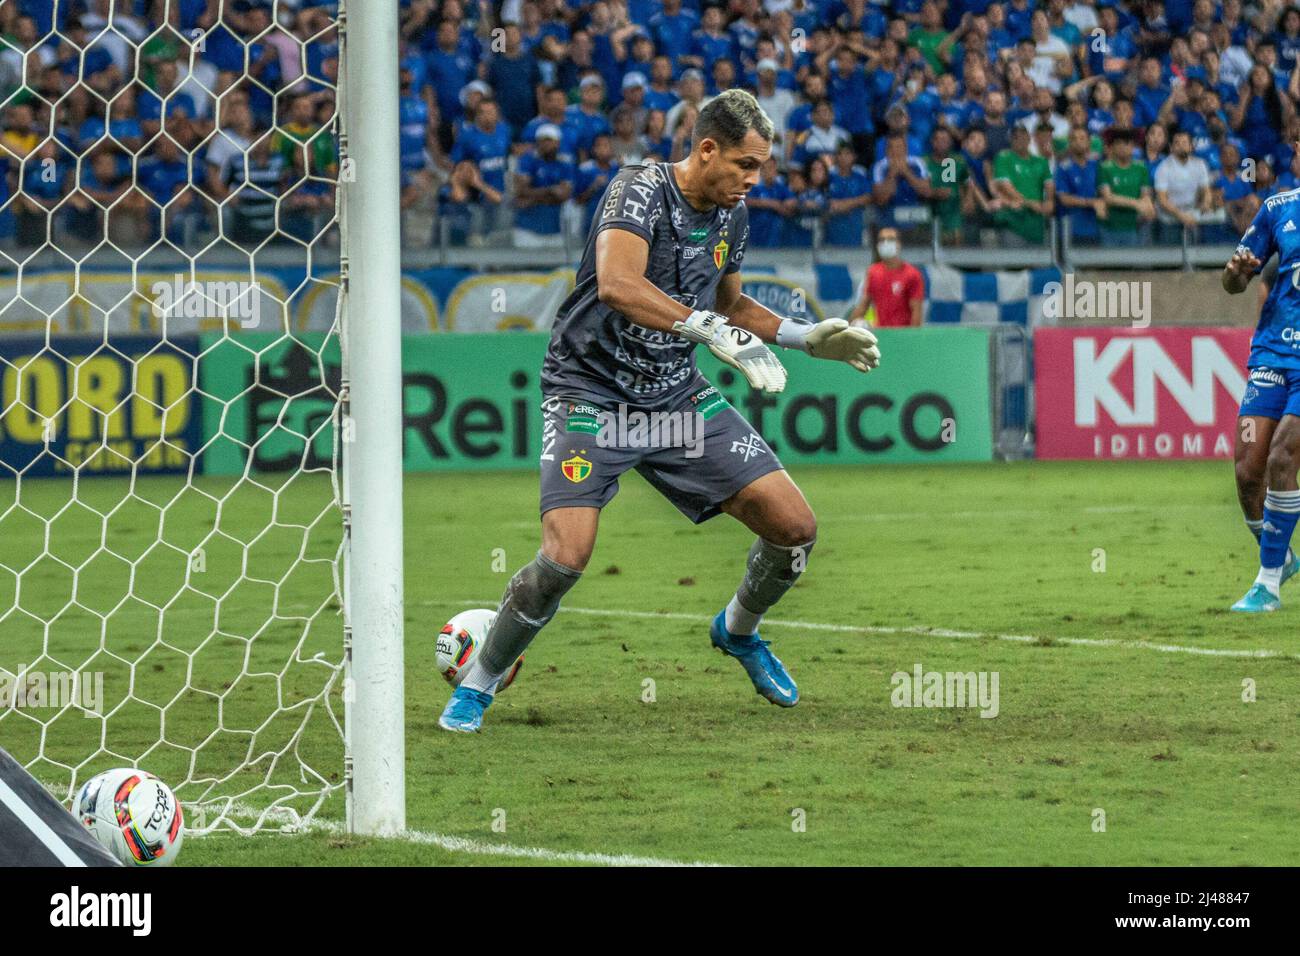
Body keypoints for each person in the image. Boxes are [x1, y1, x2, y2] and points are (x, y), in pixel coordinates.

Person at [437, 90, 880, 732]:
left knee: (794, 530)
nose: (755, 181)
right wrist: (704, 328)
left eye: (761, 168)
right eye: (746, 166)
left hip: (674, 396)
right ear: (706, 150)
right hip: (590, 395)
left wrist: (802, 336)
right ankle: (479, 683)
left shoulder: (733, 215)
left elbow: (730, 306)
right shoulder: (638, 190)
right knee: (563, 560)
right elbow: (618, 285)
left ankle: (737, 631)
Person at [1222, 158, 1300, 611]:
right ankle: (1282, 558)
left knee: (1281, 456)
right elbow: (1232, 281)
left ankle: (1267, 583)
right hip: (1272, 354)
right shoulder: (1277, 208)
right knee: (1247, 473)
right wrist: (1236, 270)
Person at [846, 227, 924, 328]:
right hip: (882, 333)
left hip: (903, 334)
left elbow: (916, 312)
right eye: (882, 240)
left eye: (891, 239)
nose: (886, 243)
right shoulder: (873, 272)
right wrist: (845, 329)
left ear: (898, 244)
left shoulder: (912, 274)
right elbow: (863, 306)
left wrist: (913, 338)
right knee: (859, 324)